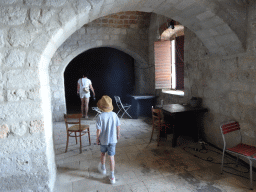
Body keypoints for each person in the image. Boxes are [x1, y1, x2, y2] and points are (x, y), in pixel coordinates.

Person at [96, 95, 120, 184]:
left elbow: (99, 130)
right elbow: (118, 126)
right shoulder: (114, 115)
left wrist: (97, 138)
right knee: (111, 157)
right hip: (113, 140)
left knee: (103, 154)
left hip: (103, 140)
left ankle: (103, 168)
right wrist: (118, 134)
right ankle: (112, 176)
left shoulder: (100, 116)